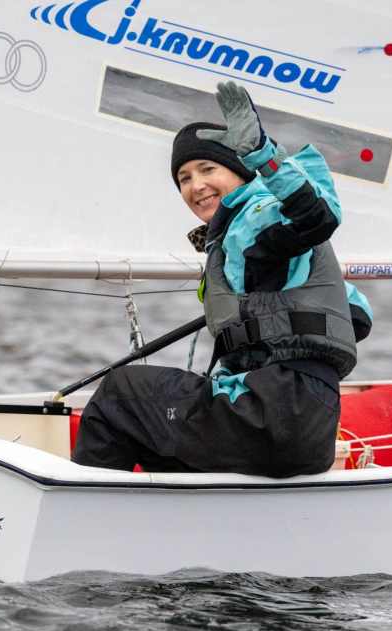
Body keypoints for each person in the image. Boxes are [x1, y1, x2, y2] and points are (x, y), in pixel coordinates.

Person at [71, 81, 373, 477]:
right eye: (183, 177)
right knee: (155, 436)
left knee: (120, 394)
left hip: (274, 411)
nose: (196, 185)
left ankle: (82, 517)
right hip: (305, 426)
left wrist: (265, 156)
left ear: (240, 170)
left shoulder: (255, 218)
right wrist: (264, 318)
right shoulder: (257, 245)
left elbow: (318, 217)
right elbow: (357, 318)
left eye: (208, 168)